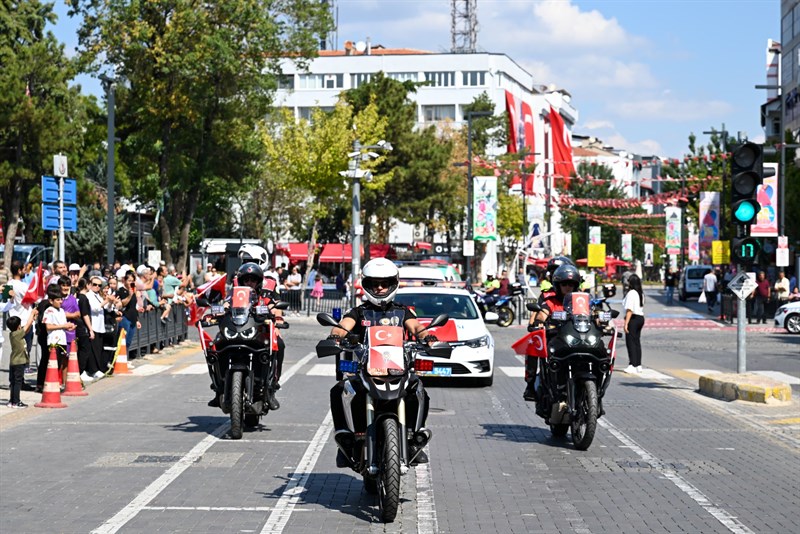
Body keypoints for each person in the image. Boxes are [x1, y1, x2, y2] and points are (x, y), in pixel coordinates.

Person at [326, 258, 438, 466]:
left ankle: (414, 439)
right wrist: (336, 336)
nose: (379, 288)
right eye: (374, 283)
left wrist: (427, 337)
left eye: (384, 283)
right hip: (366, 369)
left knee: (418, 389)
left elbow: (415, 327)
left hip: (397, 369)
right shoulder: (359, 312)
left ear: (393, 284)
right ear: (366, 285)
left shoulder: (401, 311)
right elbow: (342, 326)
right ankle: (346, 439)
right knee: (339, 390)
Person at [523, 263, 581, 402]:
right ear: (557, 285)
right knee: (533, 346)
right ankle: (531, 385)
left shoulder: (579, 301)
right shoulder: (550, 301)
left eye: (571, 284)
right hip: (556, 339)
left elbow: (592, 313)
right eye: (564, 284)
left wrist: (602, 321)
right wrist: (539, 321)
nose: (568, 287)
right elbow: (542, 314)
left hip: (578, 340)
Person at [38, 284, 75, 391]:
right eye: (58, 300)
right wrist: (63, 326)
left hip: (62, 340)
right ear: (51, 301)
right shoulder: (49, 311)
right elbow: (48, 326)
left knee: (58, 364)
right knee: (51, 364)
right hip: (53, 341)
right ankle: (46, 385)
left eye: (61, 300)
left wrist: (69, 327)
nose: (60, 302)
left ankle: (54, 383)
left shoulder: (62, 311)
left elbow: (63, 324)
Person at [7, 310, 38, 408]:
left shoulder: (14, 334)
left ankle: (12, 401)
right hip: (18, 362)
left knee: (13, 382)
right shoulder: (17, 334)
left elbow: (27, 328)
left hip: (14, 362)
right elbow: (27, 325)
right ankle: (16, 401)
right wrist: (32, 313)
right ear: (18, 326)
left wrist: (32, 320)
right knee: (17, 383)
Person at [622, 274, 646, 373]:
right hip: (640, 318)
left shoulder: (631, 293)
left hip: (633, 318)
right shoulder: (640, 293)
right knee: (636, 342)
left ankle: (632, 364)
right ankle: (638, 364)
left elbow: (629, 309)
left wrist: (626, 323)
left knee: (630, 342)